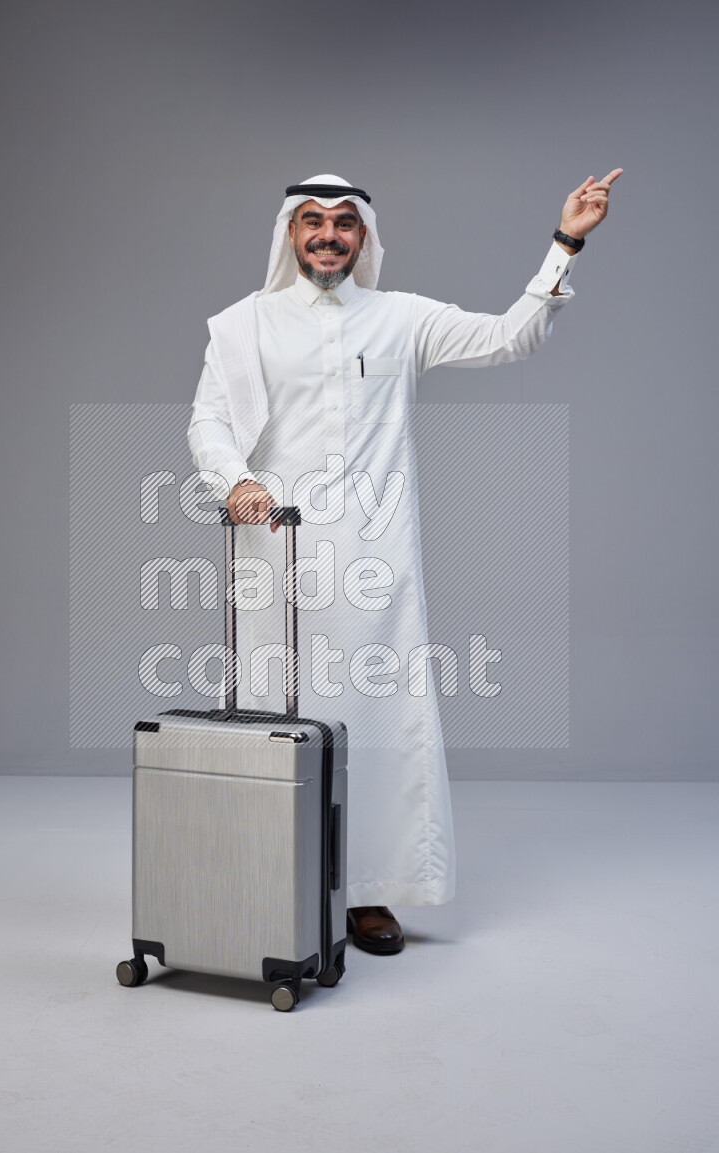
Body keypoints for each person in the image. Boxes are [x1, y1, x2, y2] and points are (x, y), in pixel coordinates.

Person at [187, 170, 622, 955]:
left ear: (364, 238)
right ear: (290, 233)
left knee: (378, 724)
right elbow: (207, 421)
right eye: (313, 220)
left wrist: (567, 242)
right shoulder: (243, 325)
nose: (328, 234)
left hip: (372, 565)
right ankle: (272, 880)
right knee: (271, 721)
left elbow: (509, 337)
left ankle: (369, 895)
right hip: (274, 557)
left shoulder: (399, 319)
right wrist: (237, 480)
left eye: (344, 223)